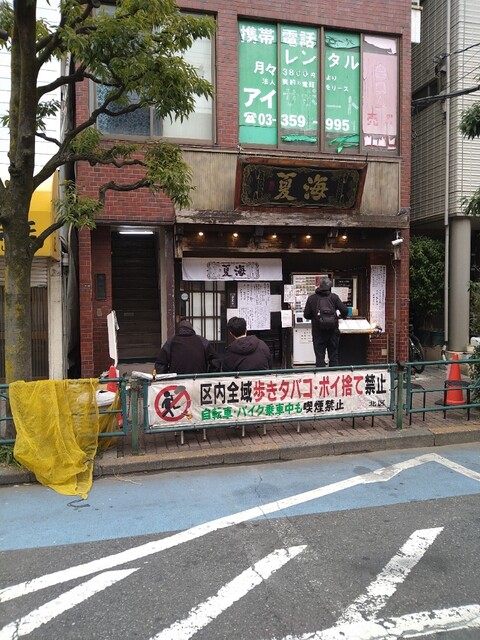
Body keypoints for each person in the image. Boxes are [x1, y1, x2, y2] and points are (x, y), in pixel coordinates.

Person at [303, 277, 348, 368]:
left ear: (319, 285)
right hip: (333, 331)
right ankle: (334, 375)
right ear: (329, 286)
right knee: (333, 356)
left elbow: (306, 315)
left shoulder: (312, 298)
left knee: (319, 357)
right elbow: (344, 310)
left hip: (318, 332)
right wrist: (340, 316)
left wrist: (315, 317)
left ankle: (321, 376)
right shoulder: (334, 297)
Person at [154, 320, 220, 375]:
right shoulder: (202, 341)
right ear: (192, 329)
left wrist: (166, 378)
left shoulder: (171, 342)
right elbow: (215, 361)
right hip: (199, 380)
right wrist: (209, 375)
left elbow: (160, 364)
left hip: (177, 380)